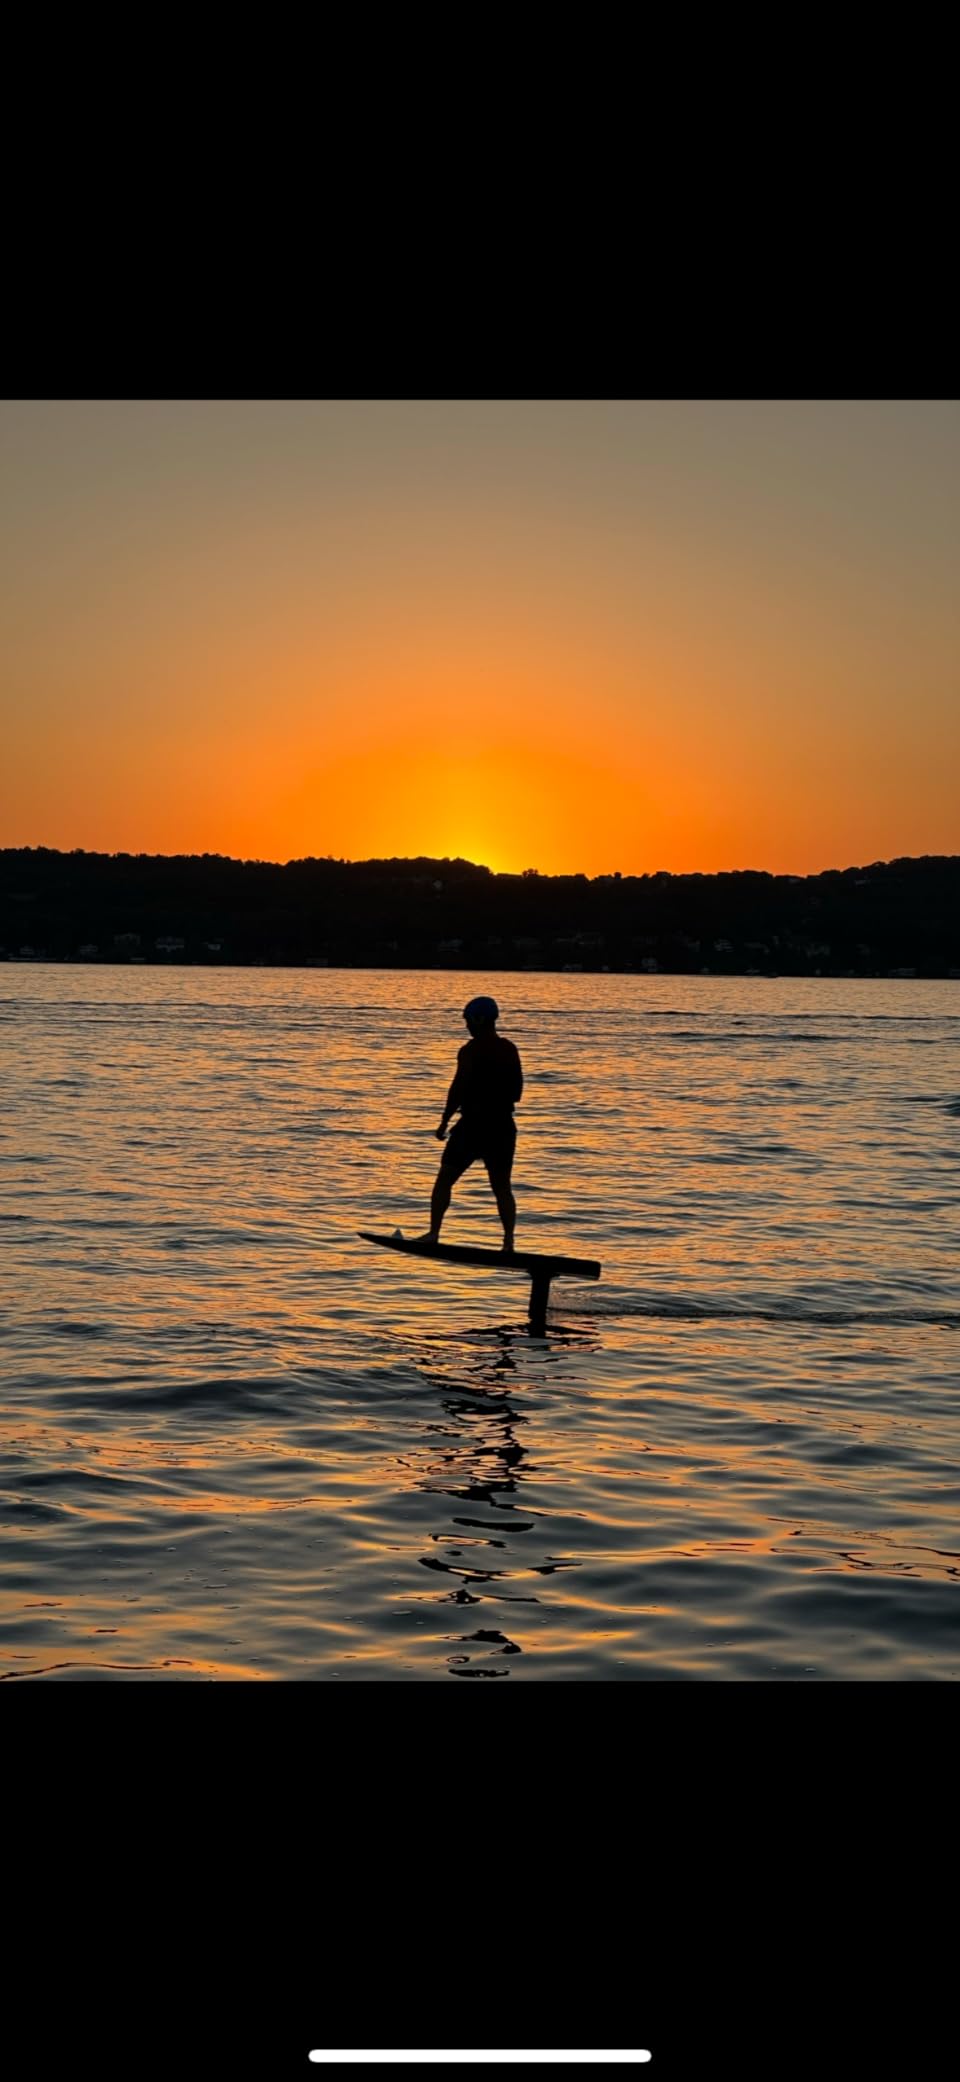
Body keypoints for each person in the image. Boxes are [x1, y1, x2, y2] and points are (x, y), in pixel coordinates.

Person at [418, 995, 523, 1253]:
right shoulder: (509, 1049)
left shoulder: (470, 1051)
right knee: (502, 1188)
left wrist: (444, 1122)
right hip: (502, 1127)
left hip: (473, 1126)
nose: (466, 1026)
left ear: (478, 1020)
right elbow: (518, 1092)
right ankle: (508, 1243)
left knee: (444, 1180)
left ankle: (434, 1233)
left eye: (468, 1020)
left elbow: (458, 1089)